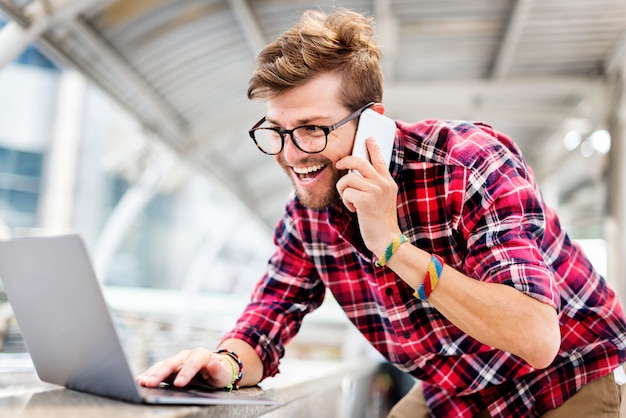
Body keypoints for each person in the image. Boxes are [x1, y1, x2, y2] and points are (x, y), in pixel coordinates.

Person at [137, 8, 626, 417]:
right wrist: (227, 365)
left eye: (311, 128)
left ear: (373, 119)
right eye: (278, 131)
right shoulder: (309, 213)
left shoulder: (468, 163)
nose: (291, 154)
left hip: (566, 380)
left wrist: (392, 245)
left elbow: (537, 337)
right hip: (456, 390)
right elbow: (267, 319)